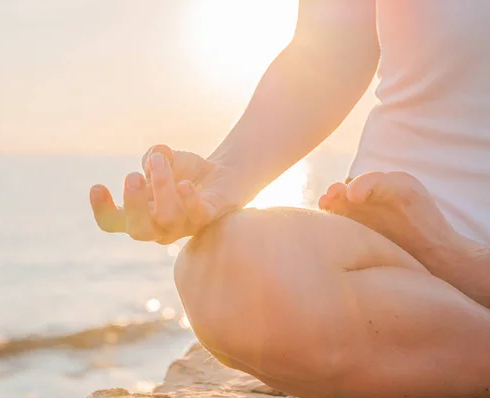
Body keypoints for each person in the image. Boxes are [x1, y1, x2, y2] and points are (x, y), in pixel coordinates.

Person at [90, 1, 490, 396]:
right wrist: (226, 173)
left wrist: (457, 259)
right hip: (395, 247)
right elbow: (335, 45)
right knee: (224, 272)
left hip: (447, 251)